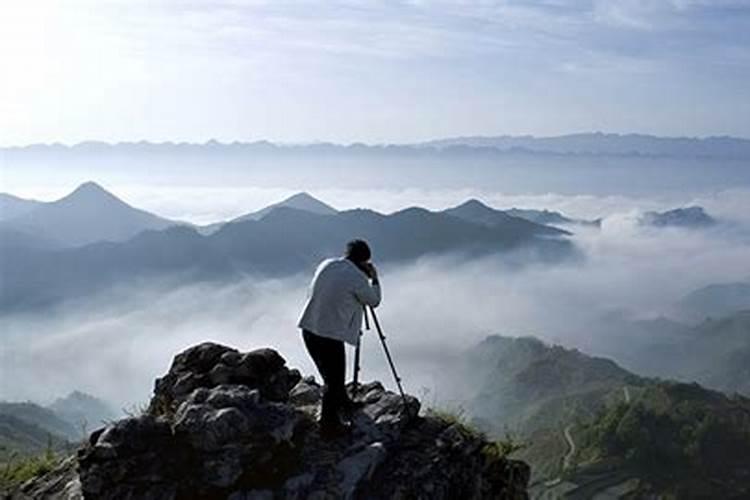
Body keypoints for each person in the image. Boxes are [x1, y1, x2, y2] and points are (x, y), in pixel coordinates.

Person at [297, 239, 381, 439]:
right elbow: (374, 301)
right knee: (333, 380)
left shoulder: (327, 264)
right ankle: (328, 427)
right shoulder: (357, 278)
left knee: (332, 376)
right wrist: (374, 278)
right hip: (329, 335)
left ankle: (343, 403)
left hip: (309, 328)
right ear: (363, 261)